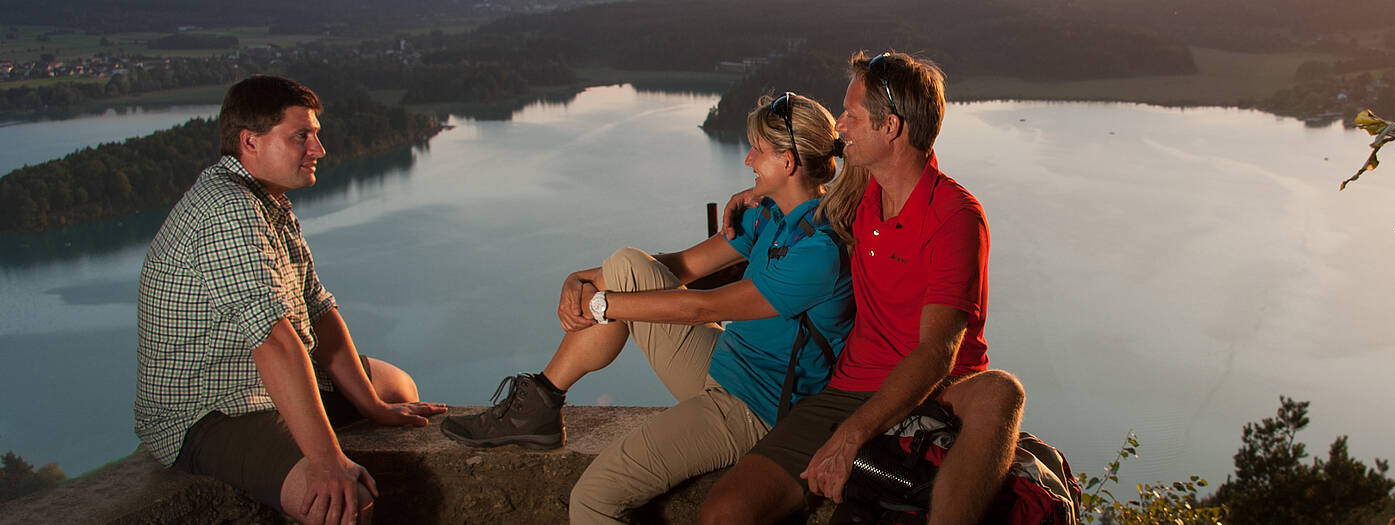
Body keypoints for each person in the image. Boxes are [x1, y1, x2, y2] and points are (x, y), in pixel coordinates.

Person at [437, 93, 855, 524]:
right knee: (625, 263)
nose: (748, 160)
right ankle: (541, 401)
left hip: (755, 409)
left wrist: (603, 304)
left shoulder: (818, 251)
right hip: (724, 365)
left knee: (593, 499)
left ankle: (537, 411)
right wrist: (583, 278)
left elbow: (700, 307)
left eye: (759, 151)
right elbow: (681, 266)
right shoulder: (768, 215)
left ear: (788, 162)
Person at [700, 51, 1027, 525]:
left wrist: (852, 435)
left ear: (890, 127)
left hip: (939, 387)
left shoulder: (953, 217)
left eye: (851, 115)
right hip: (851, 386)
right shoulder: (861, 190)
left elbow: (937, 353)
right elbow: (807, 183)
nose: (839, 126)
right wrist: (759, 193)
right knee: (725, 512)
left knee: (1002, 391)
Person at [135, 75, 447, 525]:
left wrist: (373, 407)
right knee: (345, 504)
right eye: (302, 136)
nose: (318, 148)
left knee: (396, 388)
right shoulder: (228, 211)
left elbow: (318, 309)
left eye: (316, 135)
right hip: (211, 411)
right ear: (250, 142)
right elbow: (275, 343)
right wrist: (327, 462)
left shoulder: (267, 201)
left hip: (262, 383)